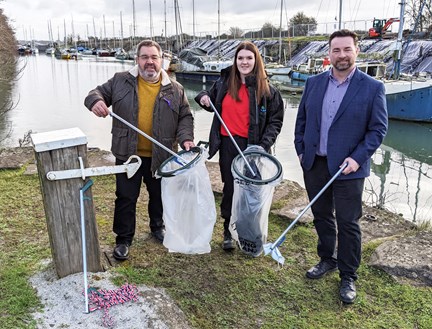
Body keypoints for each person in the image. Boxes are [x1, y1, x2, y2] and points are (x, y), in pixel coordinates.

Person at [294, 29, 388, 304]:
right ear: (329, 54)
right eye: (336, 50)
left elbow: (378, 129)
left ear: (356, 51)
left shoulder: (372, 87)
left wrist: (357, 158)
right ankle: (327, 258)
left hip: (349, 168)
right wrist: (301, 151)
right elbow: (301, 121)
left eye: (347, 49)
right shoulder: (313, 83)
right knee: (322, 215)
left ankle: (348, 275)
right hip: (315, 163)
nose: (342, 55)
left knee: (348, 223)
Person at [84, 40, 195, 261]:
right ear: (137, 60)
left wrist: (186, 139)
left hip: (161, 156)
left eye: (154, 57)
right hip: (128, 155)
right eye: (145, 57)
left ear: (161, 60)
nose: (150, 62)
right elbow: (94, 93)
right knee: (125, 197)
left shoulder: (176, 89)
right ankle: (123, 239)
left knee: (159, 196)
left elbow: (185, 117)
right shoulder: (119, 81)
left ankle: (157, 227)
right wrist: (95, 101)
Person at [195, 41, 284, 251]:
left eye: (249, 58)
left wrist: (262, 146)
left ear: (256, 61)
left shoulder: (268, 91)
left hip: (253, 149)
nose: (244, 62)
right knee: (230, 189)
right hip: (227, 145)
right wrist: (202, 98)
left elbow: (275, 122)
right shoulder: (224, 84)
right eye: (240, 58)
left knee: (252, 193)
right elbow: (207, 99)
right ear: (235, 61)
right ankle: (227, 231)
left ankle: (249, 234)